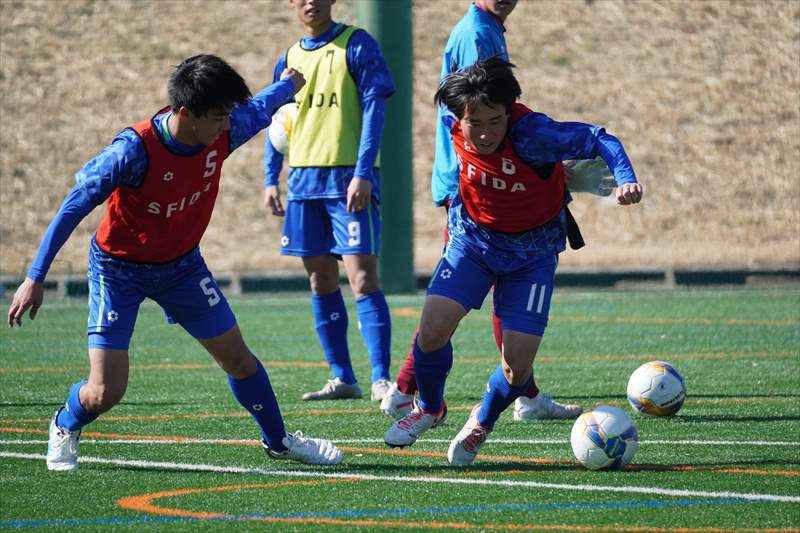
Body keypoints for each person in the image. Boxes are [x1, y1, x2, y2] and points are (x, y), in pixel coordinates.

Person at [6, 54, 344, 470]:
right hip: (119, 270)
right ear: (186, 114)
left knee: (239, 359)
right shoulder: (131, 151)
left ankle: (279, 441)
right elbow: (73, 206)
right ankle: (64, 421)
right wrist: (35, 277)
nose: (227, 126)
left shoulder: (221, 131)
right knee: (105, 391)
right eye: (218, 118)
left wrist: (288, 86)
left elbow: (256, 109)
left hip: (182, 268)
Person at [384, 57, 643, 465]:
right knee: (432, 327)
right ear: (458, 117)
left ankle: (481, 422)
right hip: (473, 242)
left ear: (509, 112)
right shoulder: (454, 121)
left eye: (495, 121)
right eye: (475, 123)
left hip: (532, 255)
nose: (485, 133)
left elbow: (599, 139)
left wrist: (626, 177)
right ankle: (430, 408)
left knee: (516, 369)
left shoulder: (533, 133)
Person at [381, 0, 585, 423]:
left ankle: (411, 388)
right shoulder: (479, 34)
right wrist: (531, 168)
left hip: (471, 182)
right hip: (473, 188)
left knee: (462, 302)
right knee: (456, 301)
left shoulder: (485, 27)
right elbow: (482, 122)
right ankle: (408, 390)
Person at [263, 0, 396, 402]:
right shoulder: (288, 58)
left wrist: (362, 171)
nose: (310, 3)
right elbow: (277, 120)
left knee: (362, 278)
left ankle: (380, 379)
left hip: (346, 181)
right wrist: (272, 178)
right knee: (320, 280)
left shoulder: (358, 45)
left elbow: (375, 108)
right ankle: (342, 377)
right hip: (303, 182)